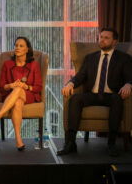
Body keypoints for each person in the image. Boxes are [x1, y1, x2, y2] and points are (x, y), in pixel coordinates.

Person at [57, 28, 132, 157]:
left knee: (116, 99)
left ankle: (111, 143)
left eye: (106, 38)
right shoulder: (90, 58)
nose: (102, 40)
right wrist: (70, 83)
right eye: (101, 37)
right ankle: (71, 143)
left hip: (112, 95)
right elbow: (80, 76)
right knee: (75, 99)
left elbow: (129, 76)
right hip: (93, 95)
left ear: (114, 42)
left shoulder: (123, 58)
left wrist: (128, 84)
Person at [0, 37, 42, 151]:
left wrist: (26, 86)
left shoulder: (34, 65)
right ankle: (18, 140)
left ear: (27, 49)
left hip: (29, 95)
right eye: (16, 45)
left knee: (19, 90)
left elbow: (38, 87)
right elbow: (2, 85)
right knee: (17, 101)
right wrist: (11, 85)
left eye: (21, 46)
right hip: (10, 95)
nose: (17, 47)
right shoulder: (7, 64)